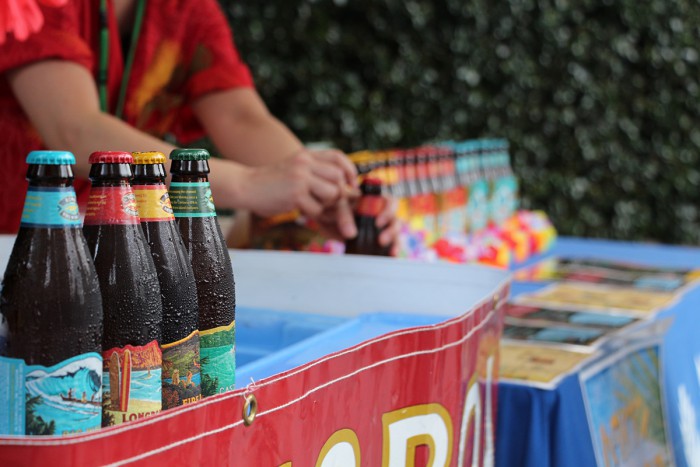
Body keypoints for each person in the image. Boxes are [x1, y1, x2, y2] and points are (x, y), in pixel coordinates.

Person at [0, 0, 396, 246]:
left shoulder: (188, 9)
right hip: (18, 255)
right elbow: (75, 129)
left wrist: (322, 191)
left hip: (105, 255)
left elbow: (241, 118)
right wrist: (248, 185)